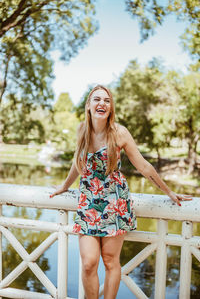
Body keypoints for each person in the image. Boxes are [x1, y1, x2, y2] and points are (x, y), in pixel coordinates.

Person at [50, 85, 192, 299]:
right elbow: (77, 163)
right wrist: (64, 186)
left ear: (111, 107)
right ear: (88, 106)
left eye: (107, 101)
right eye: (96, 99)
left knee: (109, 260)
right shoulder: (82, 130)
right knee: (88, 263)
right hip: (88, 201)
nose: (102, 104)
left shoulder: (119, 133)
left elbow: (143, 166)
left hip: (115, 202)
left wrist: (169, 191)